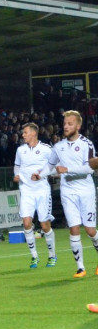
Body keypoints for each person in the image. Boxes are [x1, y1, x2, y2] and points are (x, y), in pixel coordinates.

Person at [48, 110, 98, 277]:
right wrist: (39, 174)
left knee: (90, 231)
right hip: (67, 191)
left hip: (86, 191)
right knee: (74, 228)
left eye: (70, 124)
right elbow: (50, 166)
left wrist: (67, 169)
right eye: (64, 124)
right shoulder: (58, 146)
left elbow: (89, 168)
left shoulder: (87, 144)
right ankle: (80, 267)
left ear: (78, 126)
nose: (66, 126)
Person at [14, 123, 58, 268]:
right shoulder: (20, 150)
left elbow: (57, 169)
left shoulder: (46, 149)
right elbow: (17, 166)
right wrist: (16, 175)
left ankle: (52, 255)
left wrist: (41, 175)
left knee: (45, 225)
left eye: (25, 132)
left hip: (42, 191)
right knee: (26, 223)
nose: (23, 135)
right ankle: (34, 257)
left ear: (33, 133)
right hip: (26, 190)